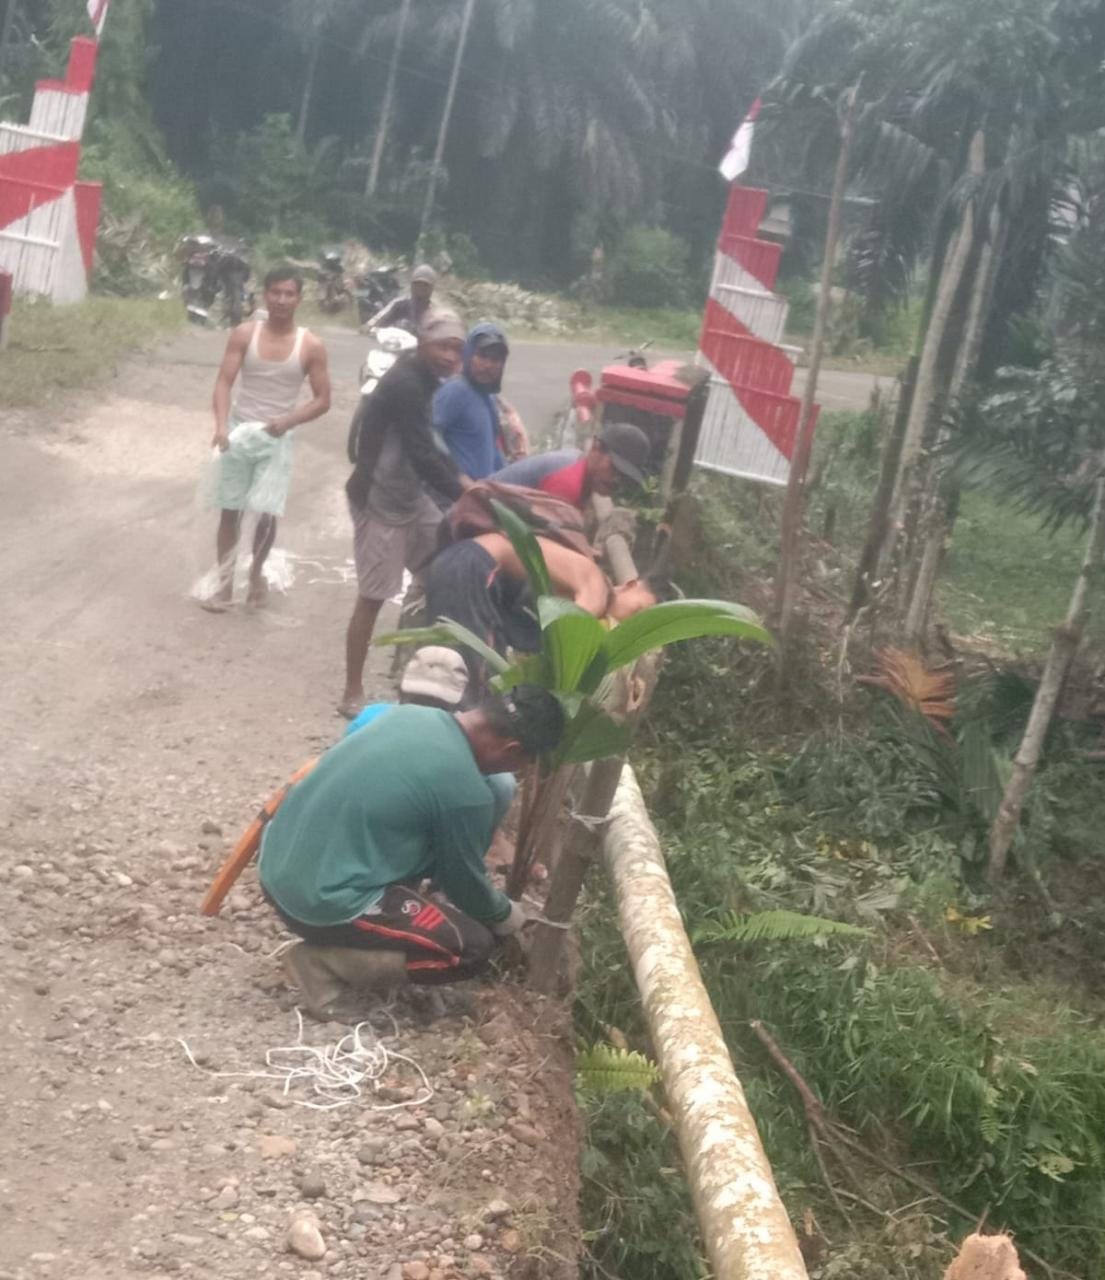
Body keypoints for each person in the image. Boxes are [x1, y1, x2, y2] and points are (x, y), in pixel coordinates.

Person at [259, 685, 564, 1018]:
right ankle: (322, 965)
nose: (515, 773)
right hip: (317, 902)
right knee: (471, 948)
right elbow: (465, 887)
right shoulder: (464, 791)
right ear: (512, 748)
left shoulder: (414, 715)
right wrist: (507, 916)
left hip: (275, 868)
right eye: (522, 763)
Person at [341, 309, 469, 719]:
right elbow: (421, 451)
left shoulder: (431, 380)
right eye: (443, 345)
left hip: (411, 498)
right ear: (424, 343)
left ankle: (425, 675)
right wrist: (466, 491)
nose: (451, 355)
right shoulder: (406, 383)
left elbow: (434, 447)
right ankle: (352, 688)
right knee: (373, 596)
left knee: (445, 567)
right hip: (379, 500)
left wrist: (462, 482)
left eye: (457, 347)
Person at [204, 266, 331, 610]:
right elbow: (224, 382)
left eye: (289, 294)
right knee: (229, 510)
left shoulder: (311, 346)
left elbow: (323, 400)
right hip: (239, 430)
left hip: (277, 438)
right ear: (265, 295)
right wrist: (220, 426)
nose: (281, 300)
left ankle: (257, 573)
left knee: (264, 513)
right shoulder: (245, 335)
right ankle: (225, 585)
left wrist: (289, 420)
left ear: (299, 299)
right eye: (275, 292)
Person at [425, 527, 661, 692]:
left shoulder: (588, 584)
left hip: (466, 564)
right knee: (471, 679)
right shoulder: (598, 588)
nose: (633, 623)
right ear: (630, 585)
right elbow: (564, 639)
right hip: (475, 567)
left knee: (448, 669)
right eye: (638, 612)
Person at [345, 645, 516, 830]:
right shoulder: (369, 720)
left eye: (436, 704)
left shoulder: (371, 718)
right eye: (419, 700)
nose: (425, 712)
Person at [490, 421, 651, 509]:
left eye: (623, 476)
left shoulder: (577, 461)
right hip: (478, 523)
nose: (616, 480)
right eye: (614, 468)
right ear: (596, 447)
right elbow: (545, 547)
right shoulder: (568, 483)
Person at [433, 322, 512, 480]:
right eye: (482, 356)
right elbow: (430, 434)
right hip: (453, 495)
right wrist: (458, 474)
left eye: (496, 360)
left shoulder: (488, 398)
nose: (488, 365)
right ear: (468, 355)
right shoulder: (456, 390)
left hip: (482, 493)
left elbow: (492, 450)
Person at [363, 263, 437, 335]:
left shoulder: (435, 313)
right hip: (392, 344)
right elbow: (379, 318)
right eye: (418, 284)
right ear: (411, 285)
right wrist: (369, 326)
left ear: (431, 288)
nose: (421, 288)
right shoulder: (399, 304)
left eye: (425, 285)